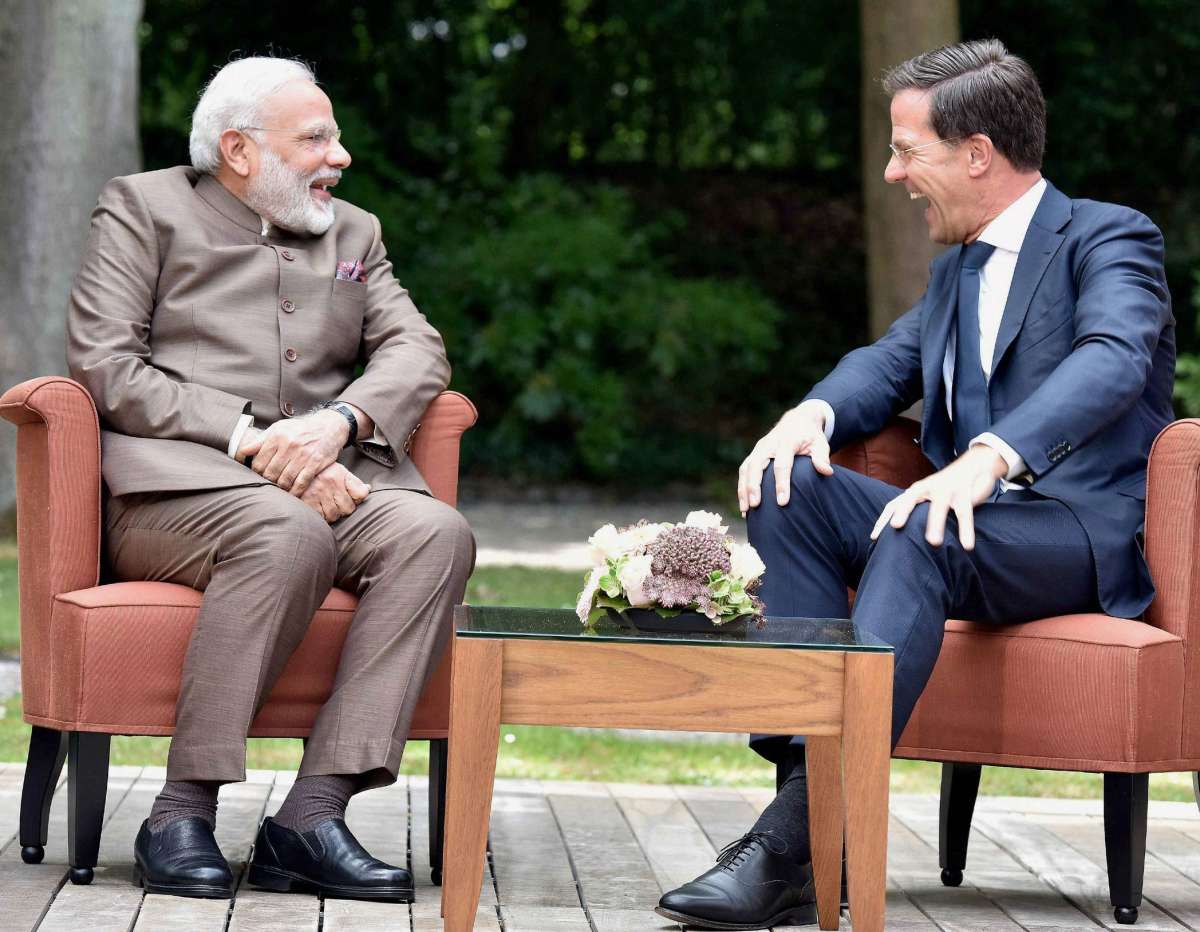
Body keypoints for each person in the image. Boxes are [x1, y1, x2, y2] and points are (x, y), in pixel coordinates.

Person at [656, 39, 1174, 930]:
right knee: (793, 484)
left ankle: (790, 846)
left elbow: (1113, 360)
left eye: (907, 149)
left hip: (1074, 534)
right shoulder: (955, 272)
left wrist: (988, 458)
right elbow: (882, 365)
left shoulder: (1108, 236)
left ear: (977, 153)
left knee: (920, 524)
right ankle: (815, 820)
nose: (894, 173)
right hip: (959, 531)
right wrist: (808, 416)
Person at [65, 56, 475, 902]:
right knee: (282, 528)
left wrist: (341, 423)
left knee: (435, 533)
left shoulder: (354, 232)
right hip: (177, 495)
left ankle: (311, 819)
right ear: (240, 150)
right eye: (317, 138)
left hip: (331, 473)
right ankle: (179, 814)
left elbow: (417, 348)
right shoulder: (144, 207)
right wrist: (252, 440)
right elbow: (105, 366)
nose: (342, 155)